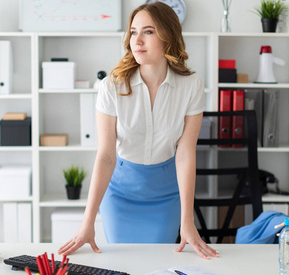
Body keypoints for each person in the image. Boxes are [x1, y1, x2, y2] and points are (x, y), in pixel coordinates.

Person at [58, 2, 218, 259]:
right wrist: (87, 221)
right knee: (124, 264)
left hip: (166, 194)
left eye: (148, 32)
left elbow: (186, 153)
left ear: (168, 37)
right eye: (133, 32)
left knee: (156, 265)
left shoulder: (191, 86)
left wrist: (187, 221)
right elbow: (106, 156)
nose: (137, 40)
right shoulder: (112, 85)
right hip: (121, 193)